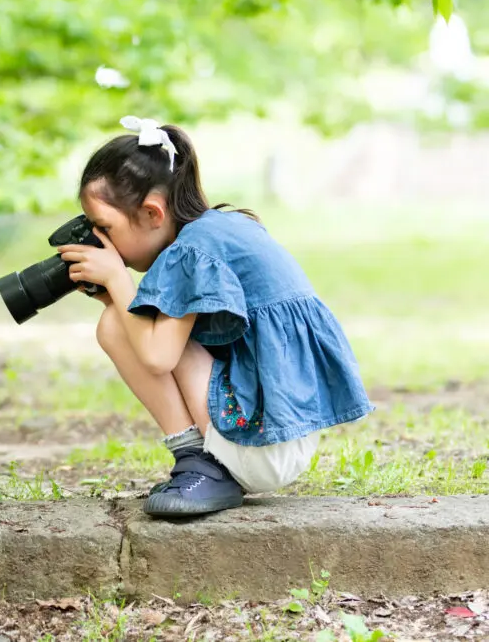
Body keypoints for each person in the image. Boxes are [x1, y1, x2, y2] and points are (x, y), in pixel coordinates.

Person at [57, 115, 373, 518]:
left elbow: (157, 357)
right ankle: (207, 465)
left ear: (153, 214)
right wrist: (116, 296)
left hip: (259, 441)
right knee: (121, 320)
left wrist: (119, 281)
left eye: (105, 227)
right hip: (281, 432)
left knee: (115, 326)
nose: (102, 242)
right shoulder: (218, 230)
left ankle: (196, 460)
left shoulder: (189, 253)